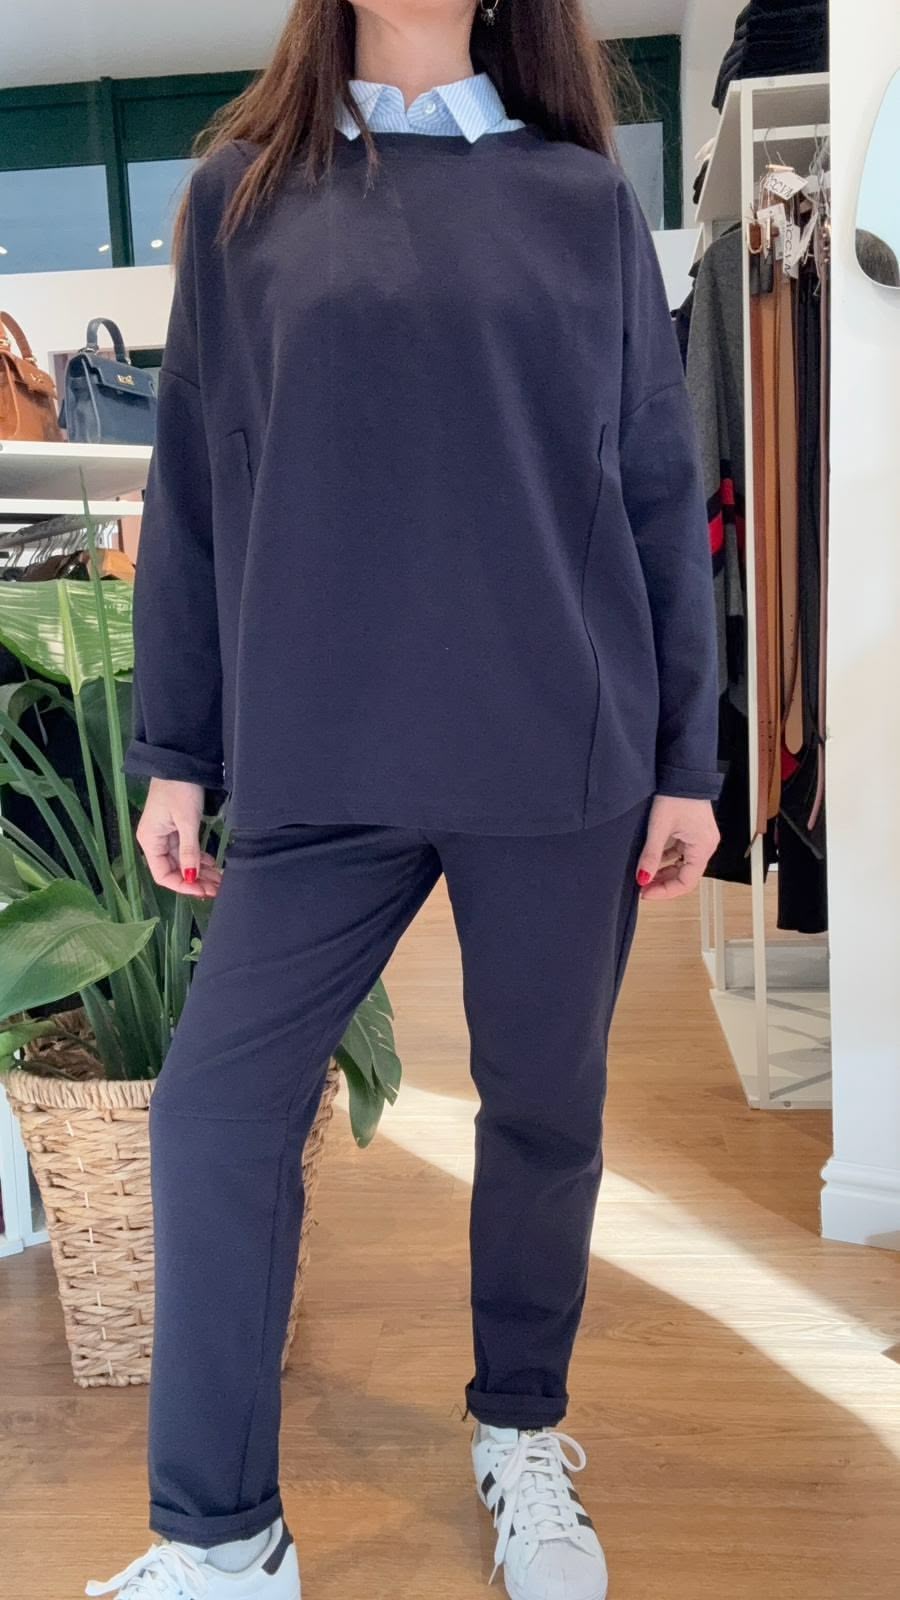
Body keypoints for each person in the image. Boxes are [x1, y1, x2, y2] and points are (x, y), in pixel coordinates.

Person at [89, 1, 722, 1597]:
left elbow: (658, 484)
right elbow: (193, 484)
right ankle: (222, 1540)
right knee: (214, 1113)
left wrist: (689, 761)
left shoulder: (580, 200)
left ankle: (521, 1428)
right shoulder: (242, 195)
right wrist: (179, 746)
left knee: (544, 1112)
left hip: (559, 751)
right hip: (320, 760)